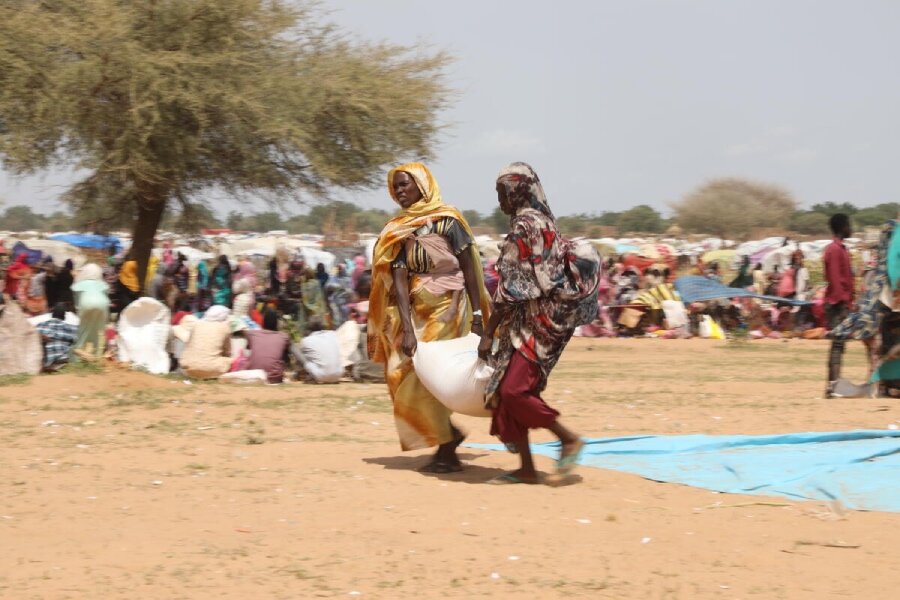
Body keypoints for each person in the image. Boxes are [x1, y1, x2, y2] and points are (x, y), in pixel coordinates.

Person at [478, 162, 598, 485]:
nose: (500, 199)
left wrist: (488, 333)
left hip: (542, 322)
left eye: (503, 191)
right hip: (538, 318)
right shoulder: (541, 221)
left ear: (518, 191)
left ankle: (567, 437)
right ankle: (527, 468)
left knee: (515, 391)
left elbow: (512, 287)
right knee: (510, 389)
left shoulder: (525, 226)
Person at [368, 162, 489, 473]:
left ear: (422, 185)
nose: (399, 191)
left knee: (434, 373)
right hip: (415, 310)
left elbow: (470, 270)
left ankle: (447, 447)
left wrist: (477, 315)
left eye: (404, 184)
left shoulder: (449, 222)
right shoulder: (398, 228)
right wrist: (406, 328)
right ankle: (446, 435)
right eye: (395, 186)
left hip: (448, 309)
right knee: (401, 371)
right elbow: (397, 276)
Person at [824, 213, 857, 395]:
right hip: (838, 303)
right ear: (842, 227)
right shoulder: (835, 250)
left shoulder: (840, 249)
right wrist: (843, 303)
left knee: (839, 344)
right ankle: (833, 386)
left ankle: (832, 386)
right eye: (848, 225)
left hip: (842, 302)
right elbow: (835, 279)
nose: (851, 228)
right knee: (837, 344)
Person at [179, 305, 233, 379]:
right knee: (231, 360)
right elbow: (227, 351)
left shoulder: (197, 324)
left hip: (188, 368)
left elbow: (189, 343)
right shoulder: (225, 327)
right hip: (211, 369)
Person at [71, 263, 111, 361]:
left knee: (84, 329)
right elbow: (106, 295)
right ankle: (97, 353)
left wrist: (78, 311)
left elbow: (76, 302)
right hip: (103, 304)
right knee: (99, 329)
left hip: (85, 304)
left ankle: (78, 357)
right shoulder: (103, 285)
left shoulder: (79, 285)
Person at [245, 308, 291, 383]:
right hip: (274, 377)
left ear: (263, 322)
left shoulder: (252, 334)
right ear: (276, 323)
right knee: (283, 350)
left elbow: (247, 351)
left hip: (252, 375)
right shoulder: (283, 336)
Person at [292, 319, 343, 383]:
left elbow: (302, 359)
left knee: (298, 351)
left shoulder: (306, 340)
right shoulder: (333, 335)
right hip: (338, 375)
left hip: (320, 376)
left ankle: (297, 375)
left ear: (309, 329)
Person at [37, 303, 78, 371]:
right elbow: (78, 337)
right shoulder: (69, 327)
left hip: (44, 362)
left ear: (52, 314)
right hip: (61, 360)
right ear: (64, 316)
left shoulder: (40, 325)